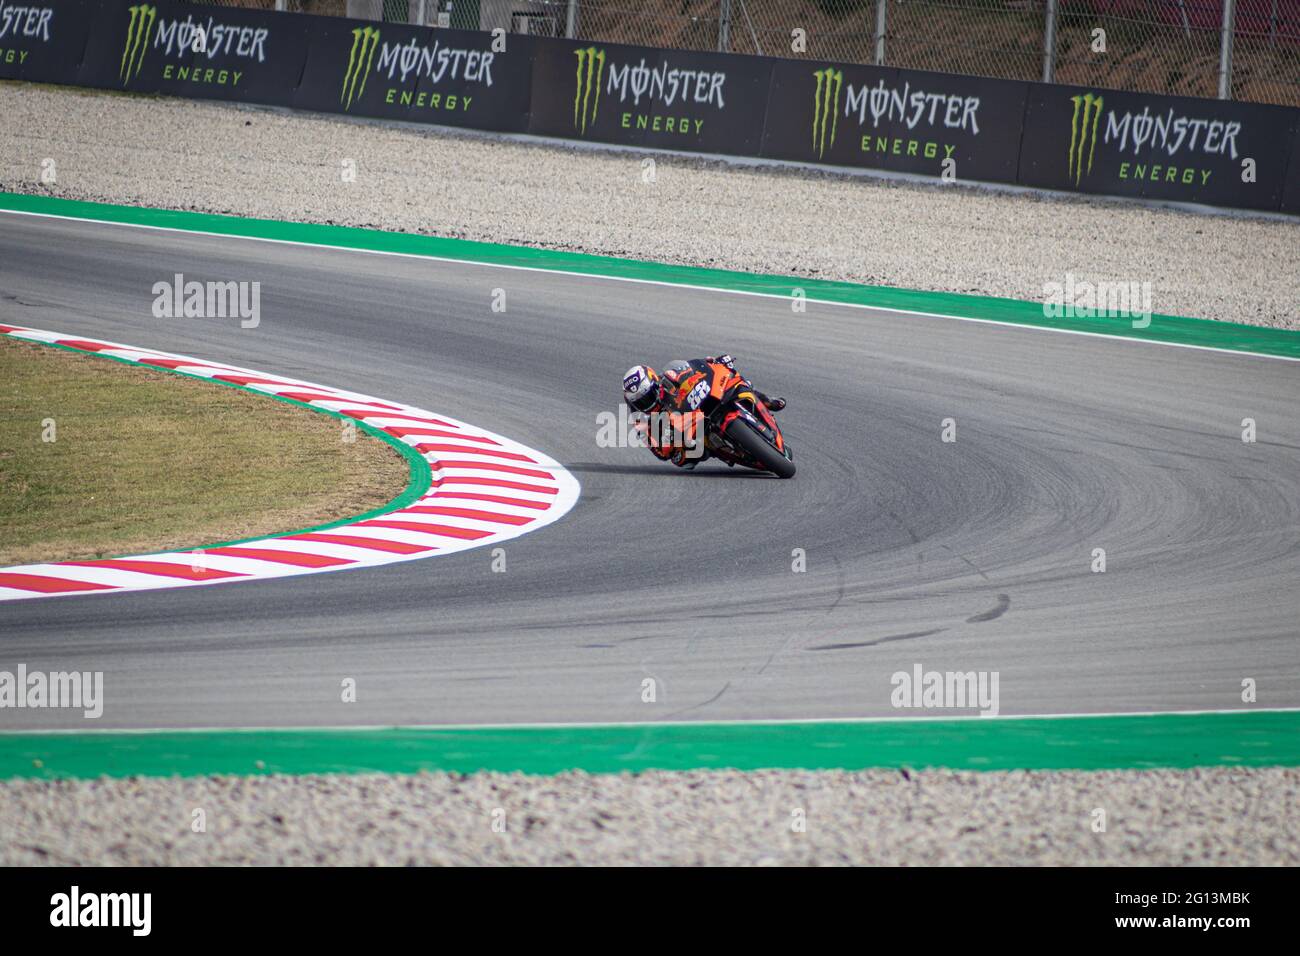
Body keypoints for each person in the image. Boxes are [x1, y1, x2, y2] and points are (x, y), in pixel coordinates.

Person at [621, 355, 785, 469]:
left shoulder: (669, 377)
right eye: (641, 402)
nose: (647, 403)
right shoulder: (640, 421)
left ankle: (766, 401)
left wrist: (715, 362)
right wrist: (669, 439)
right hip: (688, 434)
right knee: (683, 461)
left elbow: (694, 368)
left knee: (735, 380)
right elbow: (659, 452)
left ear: (655, 383)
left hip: (696, 405)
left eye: (649, 396)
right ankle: (726, 450)